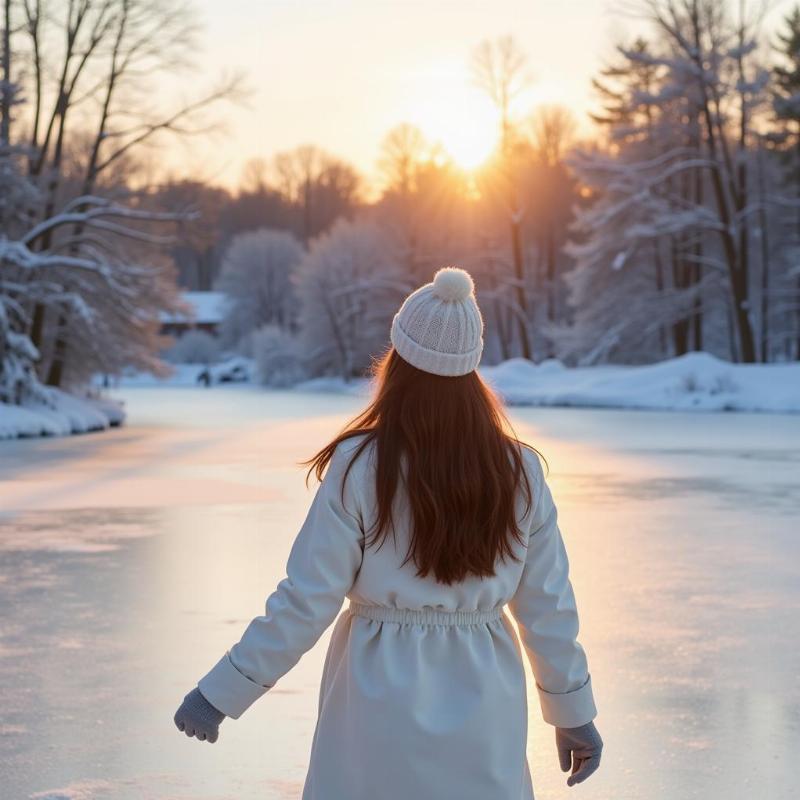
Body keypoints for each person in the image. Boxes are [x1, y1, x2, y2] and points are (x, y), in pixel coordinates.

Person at [174, 267, 602, 799]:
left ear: (397, 362)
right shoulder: (518, 471)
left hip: (374, 694)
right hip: (484, 691)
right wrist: (572, 711)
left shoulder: (359, 465)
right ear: (472, 371)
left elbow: (306, 600)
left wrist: (221, 692)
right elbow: (548, 608)